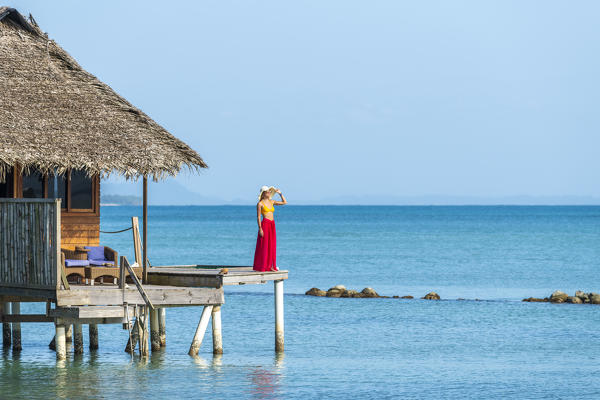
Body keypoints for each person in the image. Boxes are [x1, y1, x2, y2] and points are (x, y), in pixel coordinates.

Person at [253, 186, 287, 271]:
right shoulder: (260, 204)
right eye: (267, 192)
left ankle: (271, 266)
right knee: (264, 245)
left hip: (272, 224)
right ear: (263, 193)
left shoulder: (272, 202)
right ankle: (263, 266)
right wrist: (260, 228)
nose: (268, 193)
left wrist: (280, 194)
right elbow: (258, 217)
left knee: (272, 245)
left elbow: (284, 202)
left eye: (269, 192)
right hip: (265, 224)